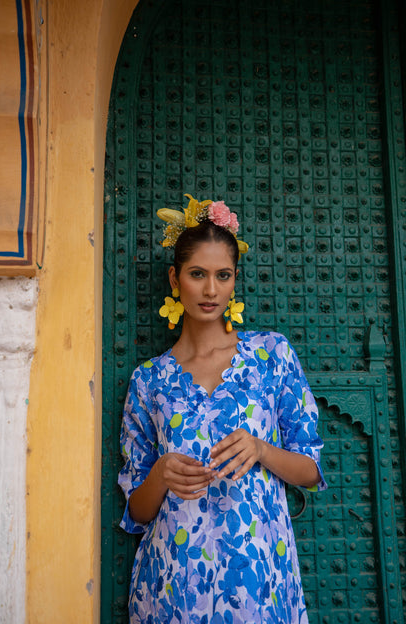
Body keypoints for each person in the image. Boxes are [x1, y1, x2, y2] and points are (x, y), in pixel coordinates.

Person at [118, 195, 327, 623]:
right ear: (175, 279)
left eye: (223, 275)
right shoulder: (148, 381)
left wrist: (262, 450)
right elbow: (137, 511)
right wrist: (160, 474)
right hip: (174, 582)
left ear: (234, 280)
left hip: (258, 581)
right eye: (198, 274)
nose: (211, 290)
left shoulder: (271, 355)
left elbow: (310, 469)